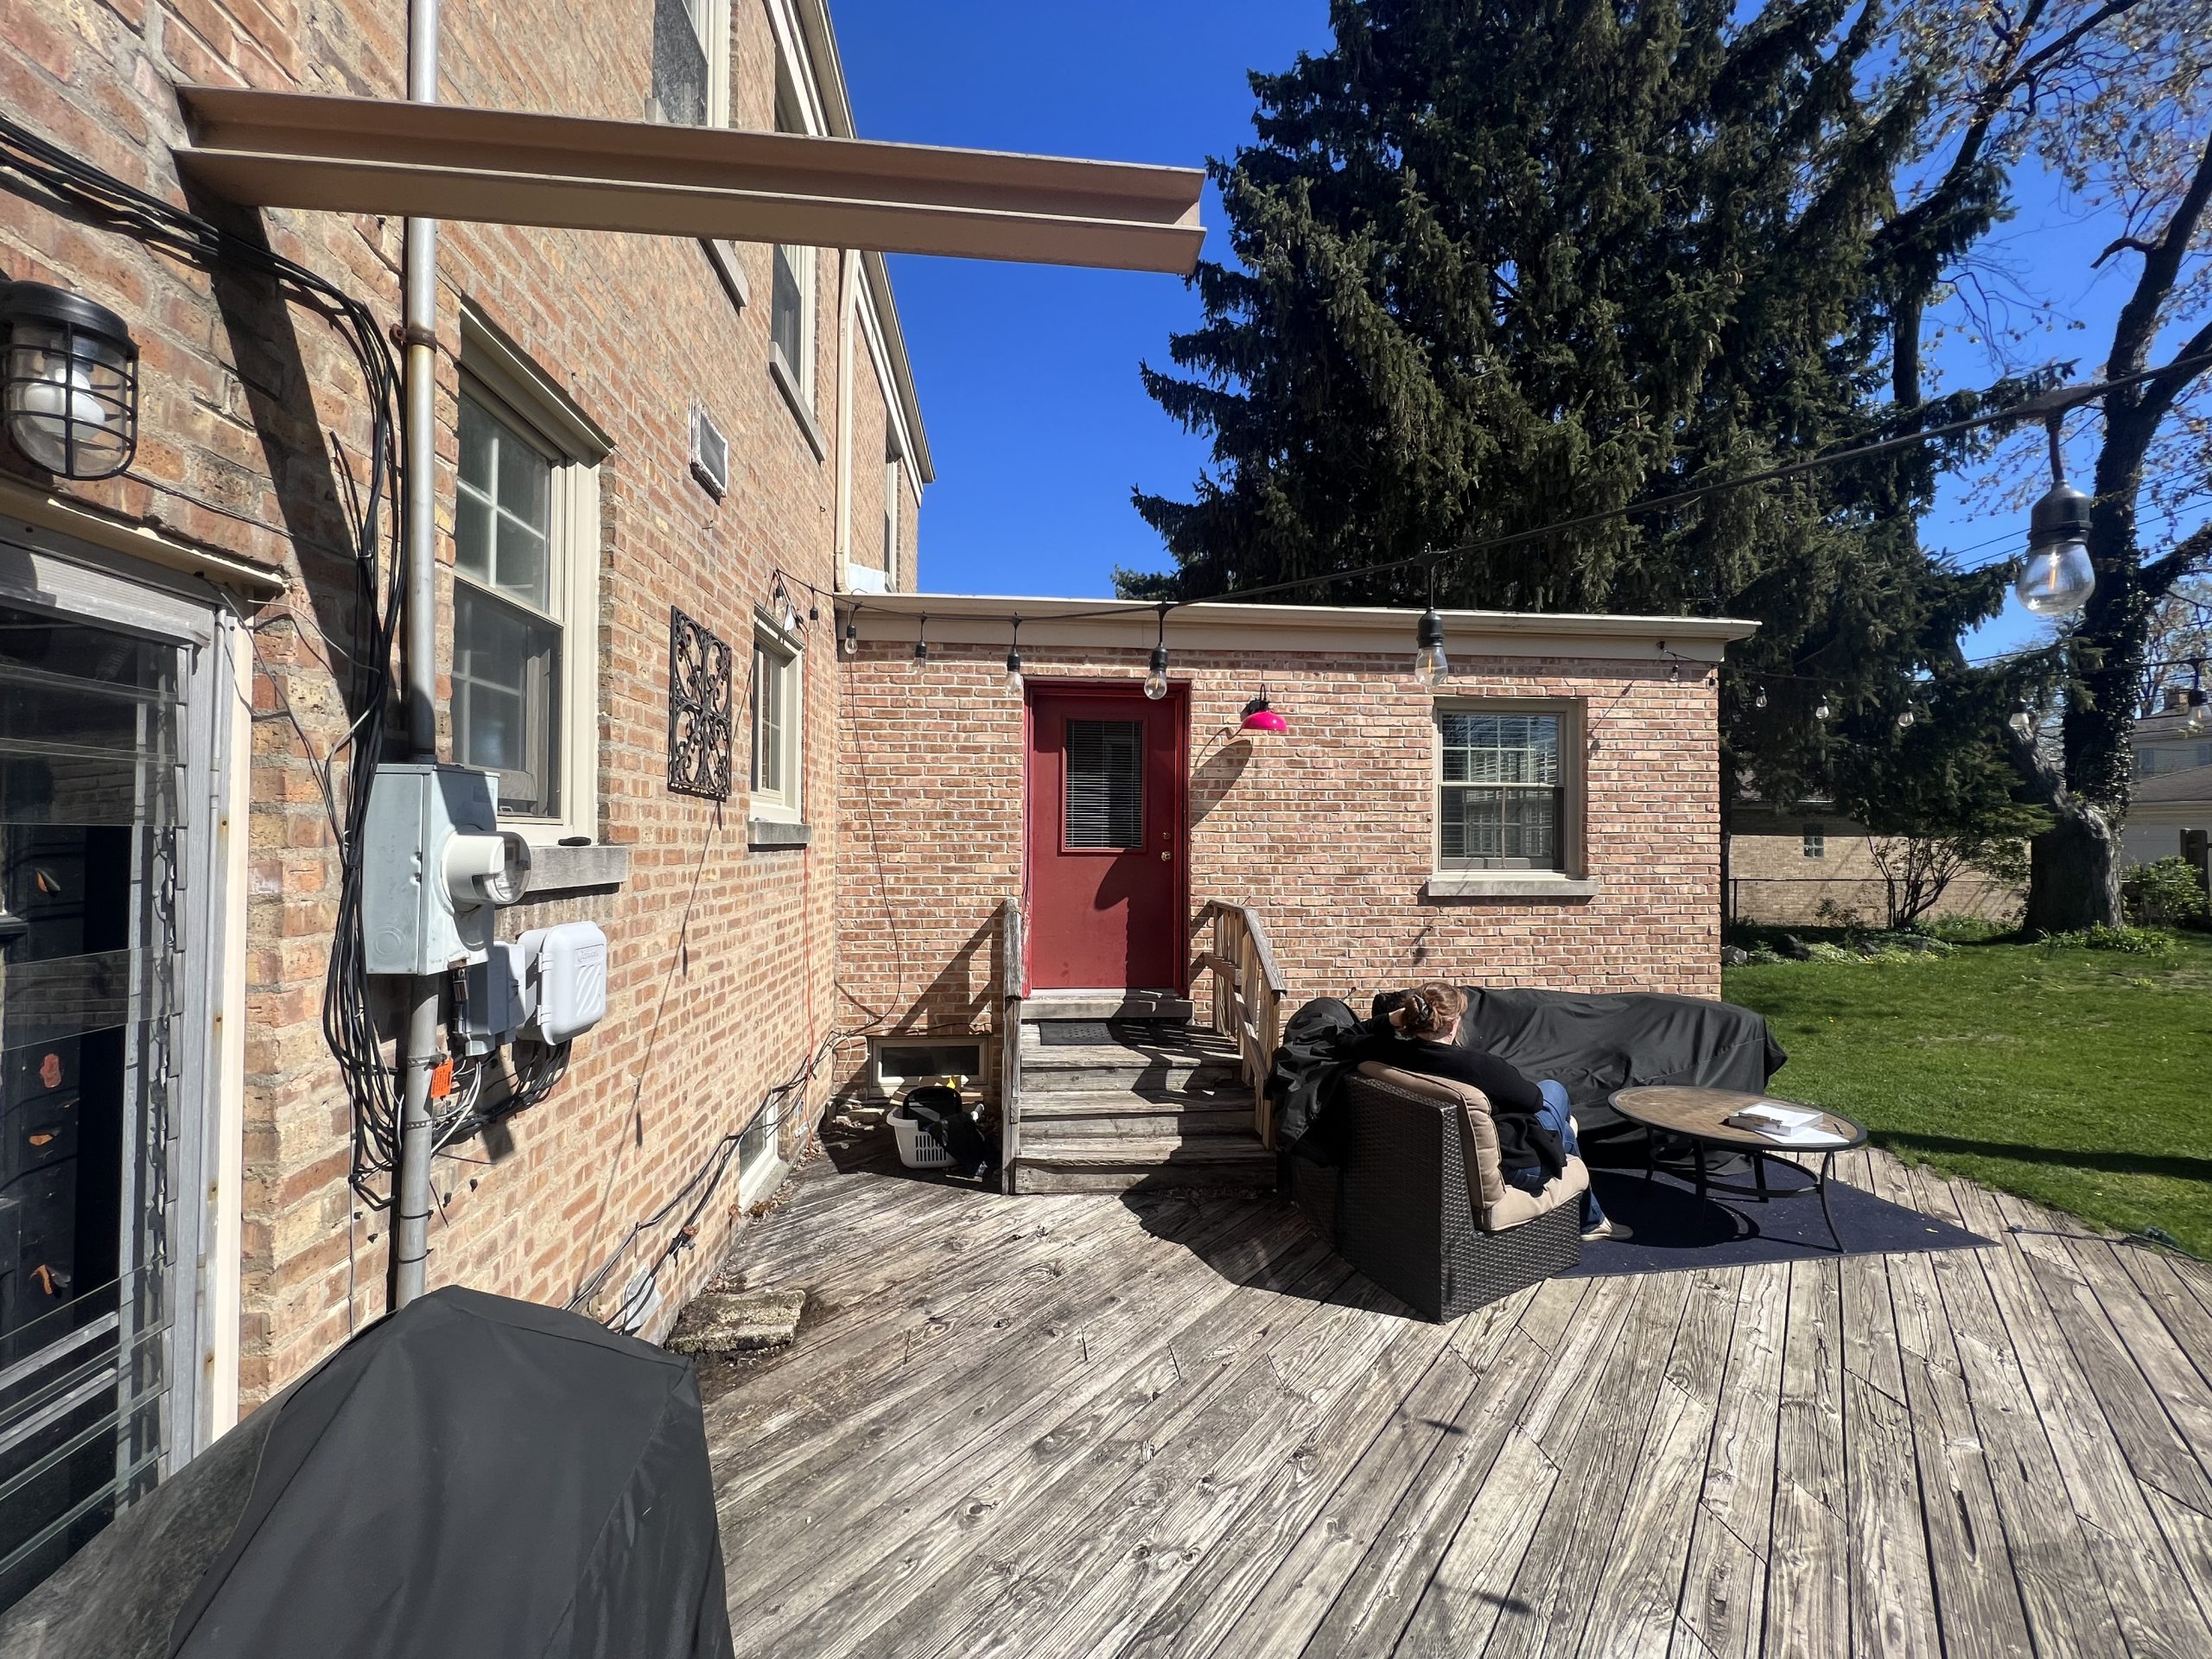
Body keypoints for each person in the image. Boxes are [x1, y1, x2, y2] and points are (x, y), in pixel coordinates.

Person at [1358, 984, 1623, 1242]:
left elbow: (1342, 1035)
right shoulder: (1479, 1066)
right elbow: (1532, 1101)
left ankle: (1589, 1211)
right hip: (1515, 1165)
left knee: (1559, 1121)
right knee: (1554, 1094)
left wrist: (1394, 1019)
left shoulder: (1385, 1053)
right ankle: (1589, 1217)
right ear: (1452, 1024)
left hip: (1437, 1162)